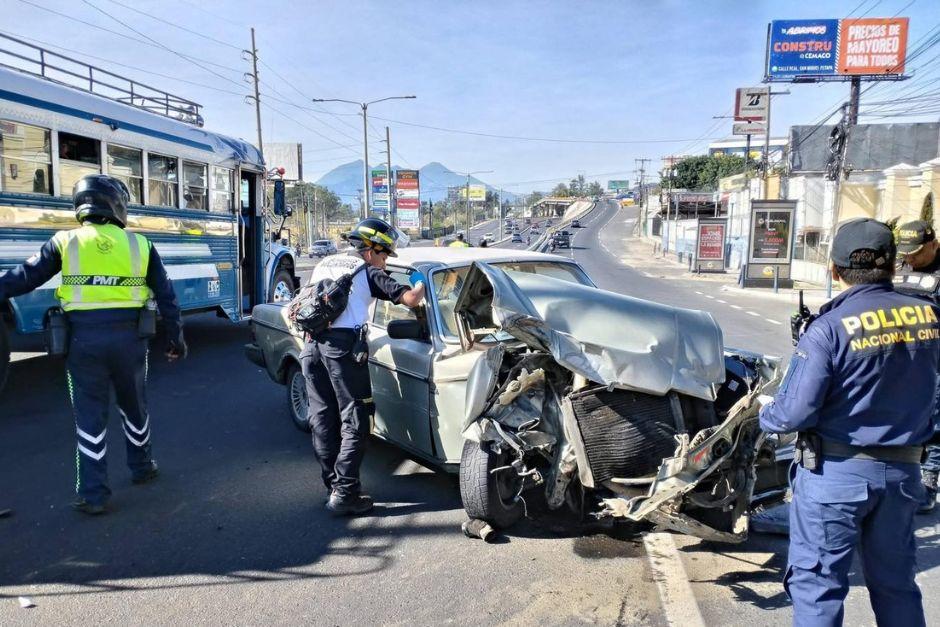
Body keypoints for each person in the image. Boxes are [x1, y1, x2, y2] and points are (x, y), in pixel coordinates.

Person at [760, 218, 940, 627]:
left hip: (835, 476)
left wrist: (765, 413)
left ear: (834, 269)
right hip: (903, 476)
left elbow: (793, 414)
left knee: (818, 588)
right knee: (896, 586)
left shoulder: (828, 328)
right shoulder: (929, 316)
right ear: (893, 264)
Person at [0, 175, 186, 515]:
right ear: (117, 205)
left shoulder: (65, 241)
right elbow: (167, 296)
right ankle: (142, 468)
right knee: (135, 406)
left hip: (83, 342)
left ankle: (93, 494)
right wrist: (175, 338)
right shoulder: (140, 245)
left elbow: (25, 277)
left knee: (89, 416)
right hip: (130, 341)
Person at [302, 217, 425, 516]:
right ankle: (345, 494)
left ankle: (333, 487)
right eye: (384, 255)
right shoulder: (367, 270)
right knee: (355, 419)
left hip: (312, 348)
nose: (385, 262)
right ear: (370, 251)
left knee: (322, 418)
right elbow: (410, 299)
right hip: (342, 351)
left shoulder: (326, 263)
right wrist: (420, 282)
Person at [895, 220, 940, 513]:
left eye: (916, 253)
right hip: (899, 358)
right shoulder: (898, 268)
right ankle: (904, 473)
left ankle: (929, 478)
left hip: (935, 361)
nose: (910, 259)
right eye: (906, 253)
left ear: (934, 245)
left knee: (934, 420)